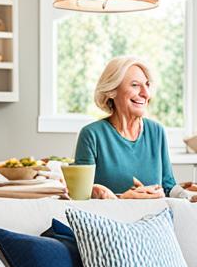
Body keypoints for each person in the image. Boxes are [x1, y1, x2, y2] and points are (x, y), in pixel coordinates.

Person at [74, 56, 176, 200]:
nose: (145, 93)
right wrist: (123, 199)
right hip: (109, 221)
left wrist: (171, 195)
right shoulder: (91, 135)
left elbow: (169, 187)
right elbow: (80, 197)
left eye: (147, 85)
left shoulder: (157, 131)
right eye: (135, 85)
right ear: (111, 91)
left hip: (154, 220)